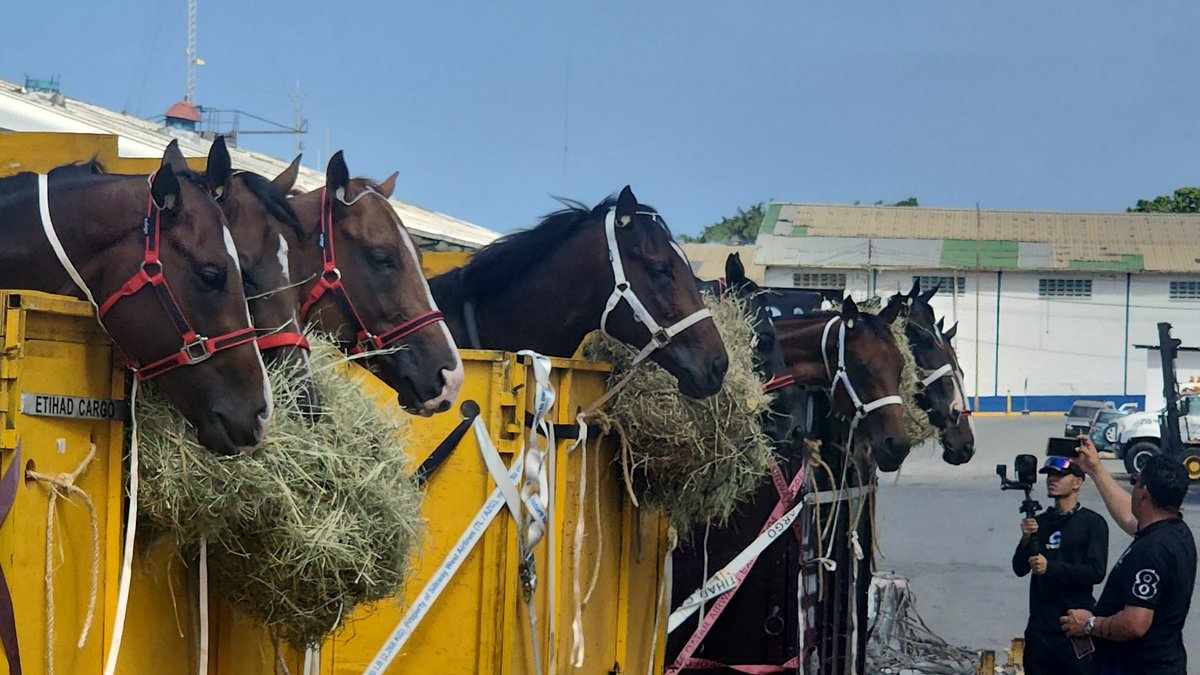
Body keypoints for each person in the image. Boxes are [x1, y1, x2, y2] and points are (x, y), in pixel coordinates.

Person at [1060, 454, 1196, 675]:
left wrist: (1089, 624)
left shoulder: (1151, 550)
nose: (1132, 490)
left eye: (1135, 482)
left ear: (1144, 492)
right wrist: (1096, 469)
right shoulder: (1175, 532)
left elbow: (1135, 624)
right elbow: (1130, 518)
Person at [1012, 455, 1108, 675]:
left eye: (1060, 475)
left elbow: (1095, 572)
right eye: (1049, 475)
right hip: (1039, 630)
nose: (1052, 480)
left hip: (1072, 627)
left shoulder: (1092, 523)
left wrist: (1051, 567)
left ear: (1077, 482)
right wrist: (1026, 539)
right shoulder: (1041, 522)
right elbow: (1019, 568)